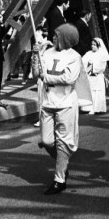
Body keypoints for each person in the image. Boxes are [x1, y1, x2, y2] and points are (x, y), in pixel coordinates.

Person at [32, 23, 82, 195]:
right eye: (53, 35)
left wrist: (46, 77)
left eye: (57, 35)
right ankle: (63, 162)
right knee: (47, 141)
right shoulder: (46, 52)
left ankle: (59, 179)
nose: (53, 38)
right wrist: (35, 56)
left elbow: (69, 78)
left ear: (66, 39)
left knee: (63, 142)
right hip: (47, 102)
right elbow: (36, 74)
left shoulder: (74, 56)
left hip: (65, 103)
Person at [82, 38, 109, 114]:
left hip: (97, 76)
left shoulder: (102, 55)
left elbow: (102, 66)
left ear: (98, 46)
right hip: (89, 76)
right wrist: (88, 67)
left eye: (94, 45)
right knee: (90, 91)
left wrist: (91, 66)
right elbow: (83, 62)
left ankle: (98, 108)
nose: (92, 46)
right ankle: (90, 107)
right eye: (92, 44)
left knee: (97, 92)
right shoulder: (88, 53)